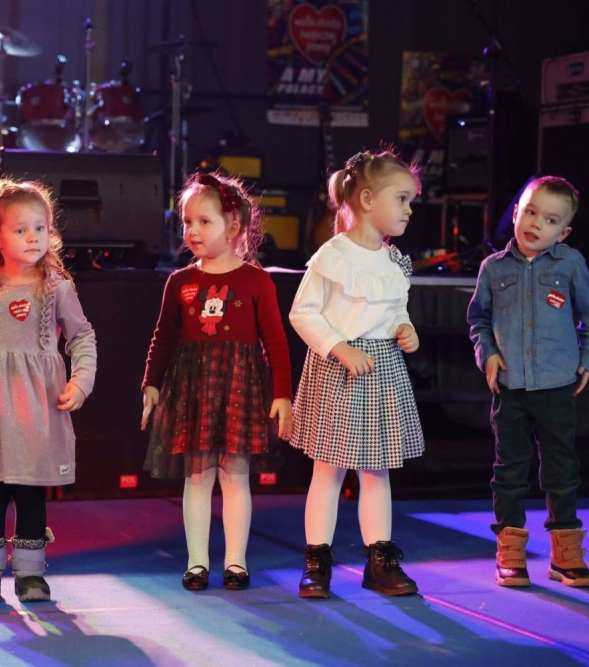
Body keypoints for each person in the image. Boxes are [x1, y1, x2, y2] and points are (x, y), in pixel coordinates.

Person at [0, 179, 96, 603]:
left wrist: (81, 380)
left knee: (30, 491)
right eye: (21, 229)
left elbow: (82, 336)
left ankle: (30, 574)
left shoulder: (56, 288)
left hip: (37, 410)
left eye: (40, 228)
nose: (32, 237)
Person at [141, 171, 292, 592]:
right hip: (195, 389)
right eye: (188, 222)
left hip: (240, 387)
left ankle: (236, 562)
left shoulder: (256, 280)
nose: (192, 231)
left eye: (204, 222)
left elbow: (275, 342)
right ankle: (196, 563)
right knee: (197, 476)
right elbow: (163, 336)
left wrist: (283, 394)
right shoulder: (180, 282)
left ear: (234, 226)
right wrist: (151, 383)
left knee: (235, 475)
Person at [289, 149, 424, 599]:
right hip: (339, 370)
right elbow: (303, 313)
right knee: (328, 471)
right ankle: (317, 561)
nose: (408, 209)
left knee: (377, 471)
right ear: (367, 200)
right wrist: (340, 347)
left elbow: (396, 307)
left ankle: (379, 560)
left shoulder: (394, 261)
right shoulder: (334, 255)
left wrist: (404, 329)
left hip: (381, 369)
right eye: (401, 199)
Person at [467, 175, 589, 588]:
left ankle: (566, 555)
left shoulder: (571, 264)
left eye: (549, 220)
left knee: (562, 469)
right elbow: (478, 321)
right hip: (510, 388)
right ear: (515, 213)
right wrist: (488, 353)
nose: (536, 224)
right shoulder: (492, 268)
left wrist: (587, 362)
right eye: (530, 212)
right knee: (509, 470)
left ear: (562, 232)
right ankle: (510, 553)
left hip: (557, 387)